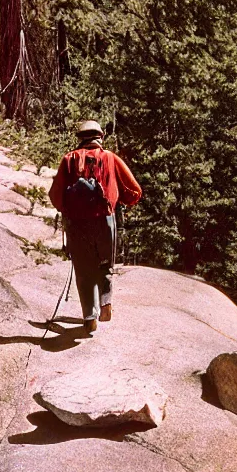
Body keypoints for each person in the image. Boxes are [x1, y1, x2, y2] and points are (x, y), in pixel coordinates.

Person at [49, 120, 142, 333]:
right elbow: (135, 190)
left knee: (83, 270)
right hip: (105, 221)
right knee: (105, 264)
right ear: (100, 138)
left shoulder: (69, 159)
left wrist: (68, 210)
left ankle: (89, 318)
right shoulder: (110, 158)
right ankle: (105, 302)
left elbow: (55, 195)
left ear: (80, 139)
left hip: (77, 224)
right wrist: (120, 201)